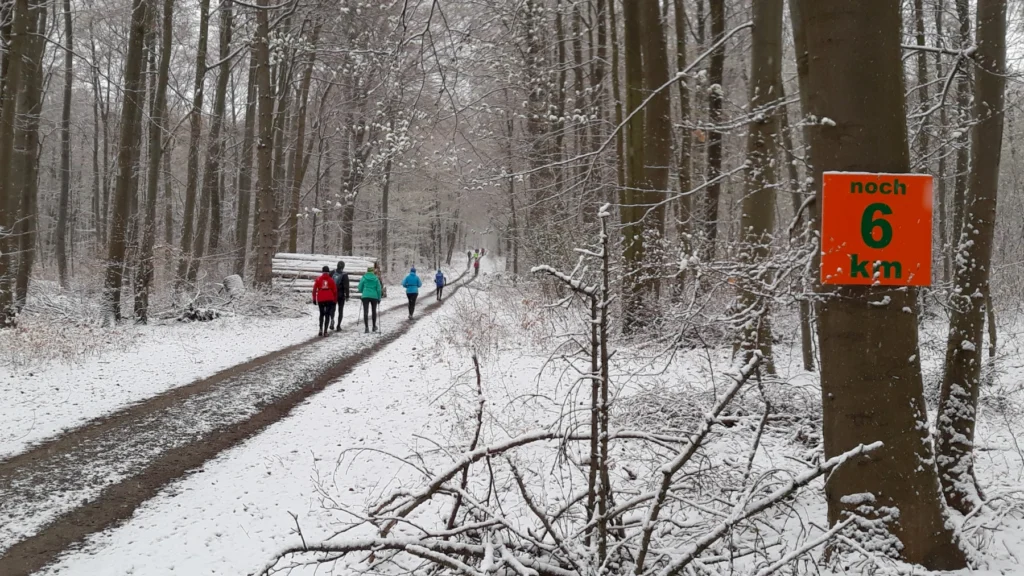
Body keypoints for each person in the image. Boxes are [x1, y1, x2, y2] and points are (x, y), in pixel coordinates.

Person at [312, 265, 338, 337]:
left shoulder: (318, 279)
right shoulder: (331, 280)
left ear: (322, 271)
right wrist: (335, 300)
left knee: (321, 314)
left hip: (320, 298)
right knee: (327, 314)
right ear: (328, 272)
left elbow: (314, 290)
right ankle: (325, 331)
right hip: (329, 298)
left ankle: (320, 329)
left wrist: (314, 299)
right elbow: (335, 291)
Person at [357, 266, 383, 333]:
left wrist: (364, 291)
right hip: (374, 296)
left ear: (367, 271)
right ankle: (374, 326)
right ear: (373, 271)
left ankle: (366, 328)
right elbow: (379, 289)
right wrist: (379, 298)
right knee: (374, 311)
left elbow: (359, 287)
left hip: (365, 296)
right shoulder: (376, 278)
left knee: (365, 311)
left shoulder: (364, 277)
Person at [331, 261, 350, 331]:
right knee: (340, 310)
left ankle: (332, 319)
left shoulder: (332, 272)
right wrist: (347, 295)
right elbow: (347, 286)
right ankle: (338, 326)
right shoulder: (345, 275)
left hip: (333, 294)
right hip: (341, 295)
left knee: (332, 308)